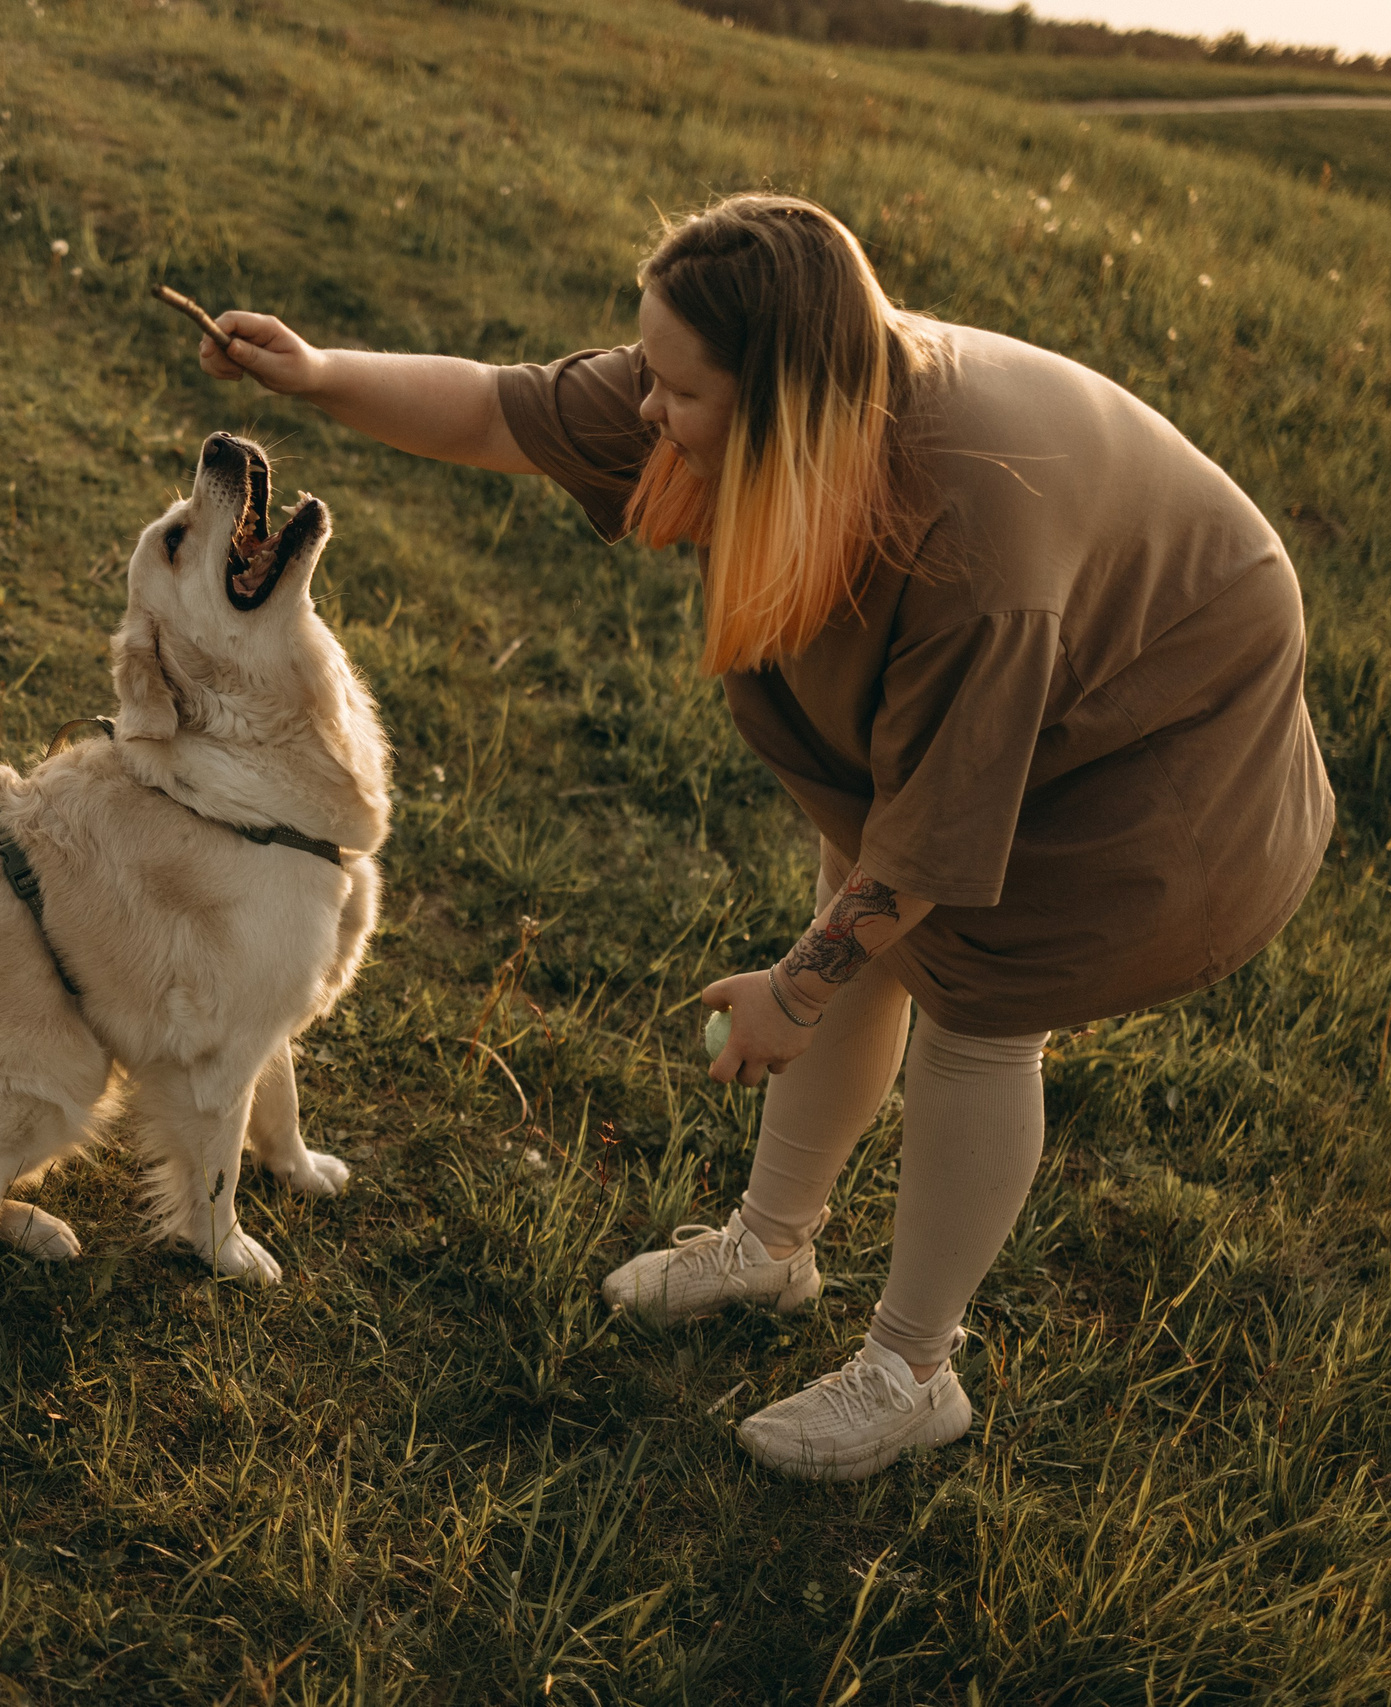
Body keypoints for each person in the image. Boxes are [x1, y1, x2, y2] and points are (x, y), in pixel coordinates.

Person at [191, 193, 1333, 1481]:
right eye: (648, 371)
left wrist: (796, 989)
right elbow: (501, 410)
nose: (645, 408)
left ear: (783, 405)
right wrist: (318, 373)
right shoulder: (746, 381)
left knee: (980, 996)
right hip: (1010, 659)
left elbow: (931, 839)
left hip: (1156, 708)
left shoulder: (971, 548)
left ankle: (912, 1373)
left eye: (677, 391)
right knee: (861, 903)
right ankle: (772, 1248)